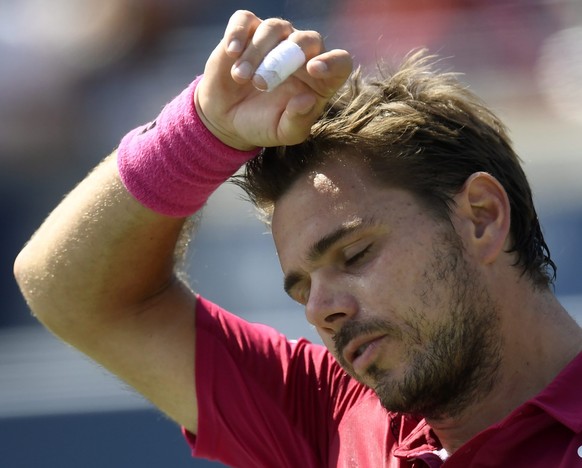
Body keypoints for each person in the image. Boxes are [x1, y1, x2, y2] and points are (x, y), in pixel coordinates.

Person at [13, 9, 582, 467]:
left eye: (354, 253)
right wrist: (202, 132)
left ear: (481, 217)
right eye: (301, 289)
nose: (321, 312)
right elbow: (69, 289)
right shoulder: (328, 414)